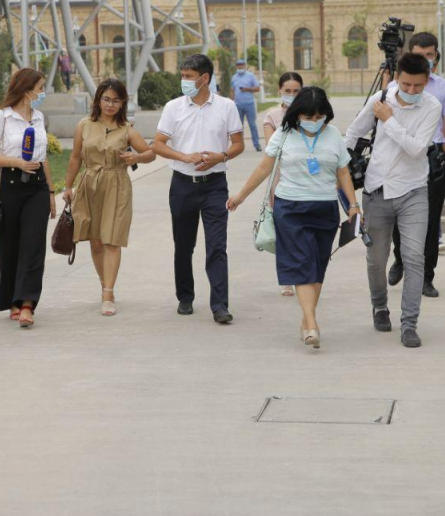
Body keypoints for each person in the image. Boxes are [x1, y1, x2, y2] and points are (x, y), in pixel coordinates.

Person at [228, 87, 358, 349]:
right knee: (301, 263)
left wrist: (353, 205)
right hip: (290, 208)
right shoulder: (284, 135)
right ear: (298, 114)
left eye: (319, 116)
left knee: (318, 265)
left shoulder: (333, 135)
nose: (314, 121)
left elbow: (343, 172)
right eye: (309, 117)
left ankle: (306, 319)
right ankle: (311, 323)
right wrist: (241, 195)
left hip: (325, 209)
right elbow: (264, 167)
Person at [345, 53, 441, 348]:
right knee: (376, 259)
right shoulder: (382, 97)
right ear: (397, 78)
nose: (412, 91)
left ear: (427, 81)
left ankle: (409, 324)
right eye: (407, 84)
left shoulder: (431, 106)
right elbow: (353, 132)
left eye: (419, 86)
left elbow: (416, 149)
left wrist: (389, 119)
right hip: (376, 190)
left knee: (414, 258)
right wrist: (342, 165)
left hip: (413, 191)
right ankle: (379, 306)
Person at [153, 53, 244, 323]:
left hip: (215, 186)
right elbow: (157, 144)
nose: (184, 81)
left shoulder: (226, 107)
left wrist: (222, 156)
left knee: (217, 246)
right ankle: (185, 296)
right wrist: (184, 157)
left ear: (204, 79)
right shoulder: (173, 108)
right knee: (183, 245)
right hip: (182, 185)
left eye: (189, 77)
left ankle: (220, 305)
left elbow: (238, 144)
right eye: (182, 76)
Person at [63, 79, 155, 316]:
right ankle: (106, 285)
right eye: (106, 99)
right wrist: (68, 187)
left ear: (123, 102)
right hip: (89, 184)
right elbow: (75, 157)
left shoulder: (127, 129)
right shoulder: (84, 125)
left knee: (111, 239)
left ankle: (107, 292)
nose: (110, 104)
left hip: (117, 185)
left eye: (116, 100)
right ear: (98, 100)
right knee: (95, 240)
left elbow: (150, 153)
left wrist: (137, 158)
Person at [0, 68, 58, 328]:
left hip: (36, 187)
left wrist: (51, 191)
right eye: (41, 87)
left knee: (34, 245)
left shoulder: (39, 117)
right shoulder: (0, 117)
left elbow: (42, 156)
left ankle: (27, 303)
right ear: (26, 91)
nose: (43, 92)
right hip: (8, 185)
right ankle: (12, 299)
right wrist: (16, 162)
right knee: (9, 245)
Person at [385, 32, 445, 298]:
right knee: (395, 213)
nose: (425, 60)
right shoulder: (396, 85)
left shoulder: (443, 88)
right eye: (420, 55)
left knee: (429, 219)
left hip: (433, 157)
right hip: (399, 157)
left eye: (430, 55)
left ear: (436, 56)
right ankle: (400, 259)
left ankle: (427, 275)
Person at [262, 71, 304, 297]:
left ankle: (303, 275)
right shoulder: (271, 116)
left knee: (302, 231)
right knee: (285, 231)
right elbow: (271, 148)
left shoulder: (310, 115)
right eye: (287, 91)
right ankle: (287, 278)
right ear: (279, 91)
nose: (292, 95)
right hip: (280, 180)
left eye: (296, 91)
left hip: (307, 181)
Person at [230, 59, 262, 151]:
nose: (240, 67)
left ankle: (257, 144)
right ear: (236, 66)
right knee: (239, 126)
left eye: (241, 65)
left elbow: (257, 88)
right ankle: (239, 146)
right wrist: (231, 101)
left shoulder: (250, 76)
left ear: (245, 66)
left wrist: (247, 89)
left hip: (249, 104)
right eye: (238, 65)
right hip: (238, 104)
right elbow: (232, 90)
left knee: (252, 125)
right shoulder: (234, 77)